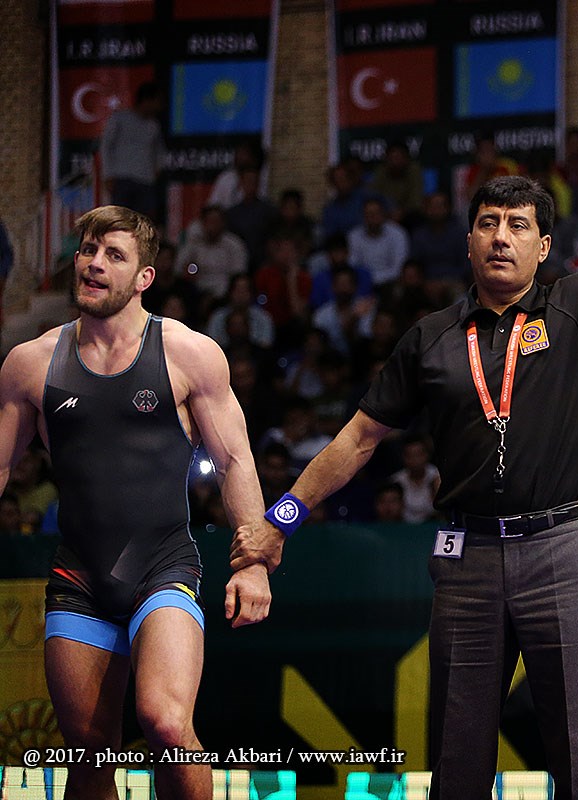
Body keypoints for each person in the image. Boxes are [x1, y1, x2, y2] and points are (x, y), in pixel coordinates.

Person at [231, 119, 578, 799]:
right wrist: (281, 520)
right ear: (468, 240)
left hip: (563, 548)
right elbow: (357, 439)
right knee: (457, 763)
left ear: (544, 245)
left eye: (518, 225)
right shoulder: (431, 338)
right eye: (488, 223)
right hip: (466, 558)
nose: (501, 236)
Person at [0, 205, 271, 800]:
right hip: (79, 577)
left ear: (145, 277)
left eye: (114, 255)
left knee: (167, 724)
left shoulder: (188, 353)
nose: (94, 263)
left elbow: (235, 461)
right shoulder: (30, 363)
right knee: (90, 753)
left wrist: (252, 561)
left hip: (162, 566)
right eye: (87, 250)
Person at [100, 82, 164, 220]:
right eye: (157, 101)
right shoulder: (120, 119)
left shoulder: (153, 125)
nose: (159, 106)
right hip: (122, 178)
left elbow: (159, 150)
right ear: (147, 100)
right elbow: (106, 147)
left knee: (145, 221)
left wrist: (158, 168)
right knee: (121, 220)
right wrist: (108, 175)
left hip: (146, 180)